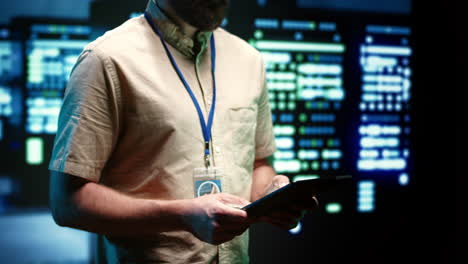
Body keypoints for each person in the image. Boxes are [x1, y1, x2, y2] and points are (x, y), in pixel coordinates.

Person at [48, 0, 318, 263]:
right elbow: (68, 202)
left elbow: (260, 162)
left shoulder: (249, 59)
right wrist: (183, 215)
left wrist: (271, 196)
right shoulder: (106, 60)